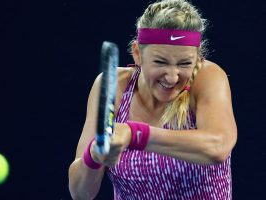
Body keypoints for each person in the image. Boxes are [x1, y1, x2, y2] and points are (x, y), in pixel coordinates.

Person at [68, 0, 237, 199]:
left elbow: (217, 148)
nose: (172, 77)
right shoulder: (113, 85)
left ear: (198, 58)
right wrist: (94, 156)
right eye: (160, 62)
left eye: (184, 63)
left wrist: (135, 134)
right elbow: (80, 193)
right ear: (137, 53)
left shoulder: (208, 77)